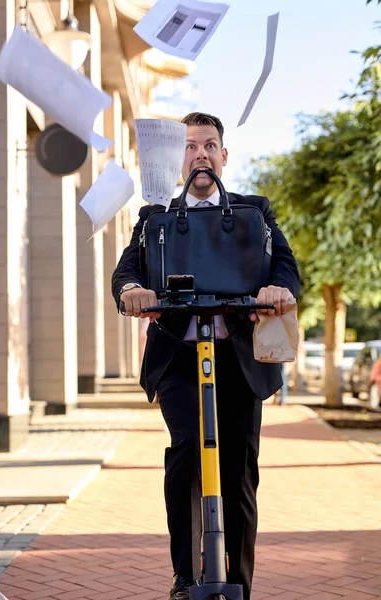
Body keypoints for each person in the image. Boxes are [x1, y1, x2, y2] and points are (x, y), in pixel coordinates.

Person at [112, 112, 300, 600]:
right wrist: (133, 288)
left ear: (223, 156)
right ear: (179, 159)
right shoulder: (155, 218)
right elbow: (127, 270)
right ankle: (184, 575)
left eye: (209, 145)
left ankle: (237, 583)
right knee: (185, 458)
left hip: (237, 358)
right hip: (179, 356)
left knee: (239, 472)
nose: (200, 154)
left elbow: (284, 262)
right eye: (190, 146)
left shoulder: (253, 211)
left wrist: (280, 286)